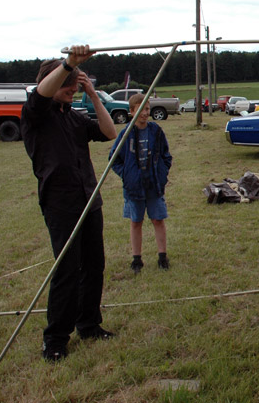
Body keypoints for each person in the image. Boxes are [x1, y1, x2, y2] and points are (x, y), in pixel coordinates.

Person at [21, 45, 118, 362]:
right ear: (51, 80)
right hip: (61, 203)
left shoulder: (75, 117)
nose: (72, 87)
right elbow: (41, 93)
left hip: (90, 199)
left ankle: (88, 325)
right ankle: (55, 339)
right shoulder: (36, 114)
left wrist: (91, 94)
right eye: (67, 82)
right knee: (67, 269)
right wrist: (68, 65)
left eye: (76, 82)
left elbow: (109, 132)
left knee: (94, 266)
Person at [109, 94, 173, 274]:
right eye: (140, 109)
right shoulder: (125, 134)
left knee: (158, 220)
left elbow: (166, 156)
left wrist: (161, 174)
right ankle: (137, 259)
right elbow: (114, 160)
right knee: (136, 222)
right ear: (131, 111)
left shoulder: (156, 131)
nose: (145, 113)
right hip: (134, 188)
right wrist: (127, 175)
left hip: (154, 186)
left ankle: (162, 257)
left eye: (147, 109)